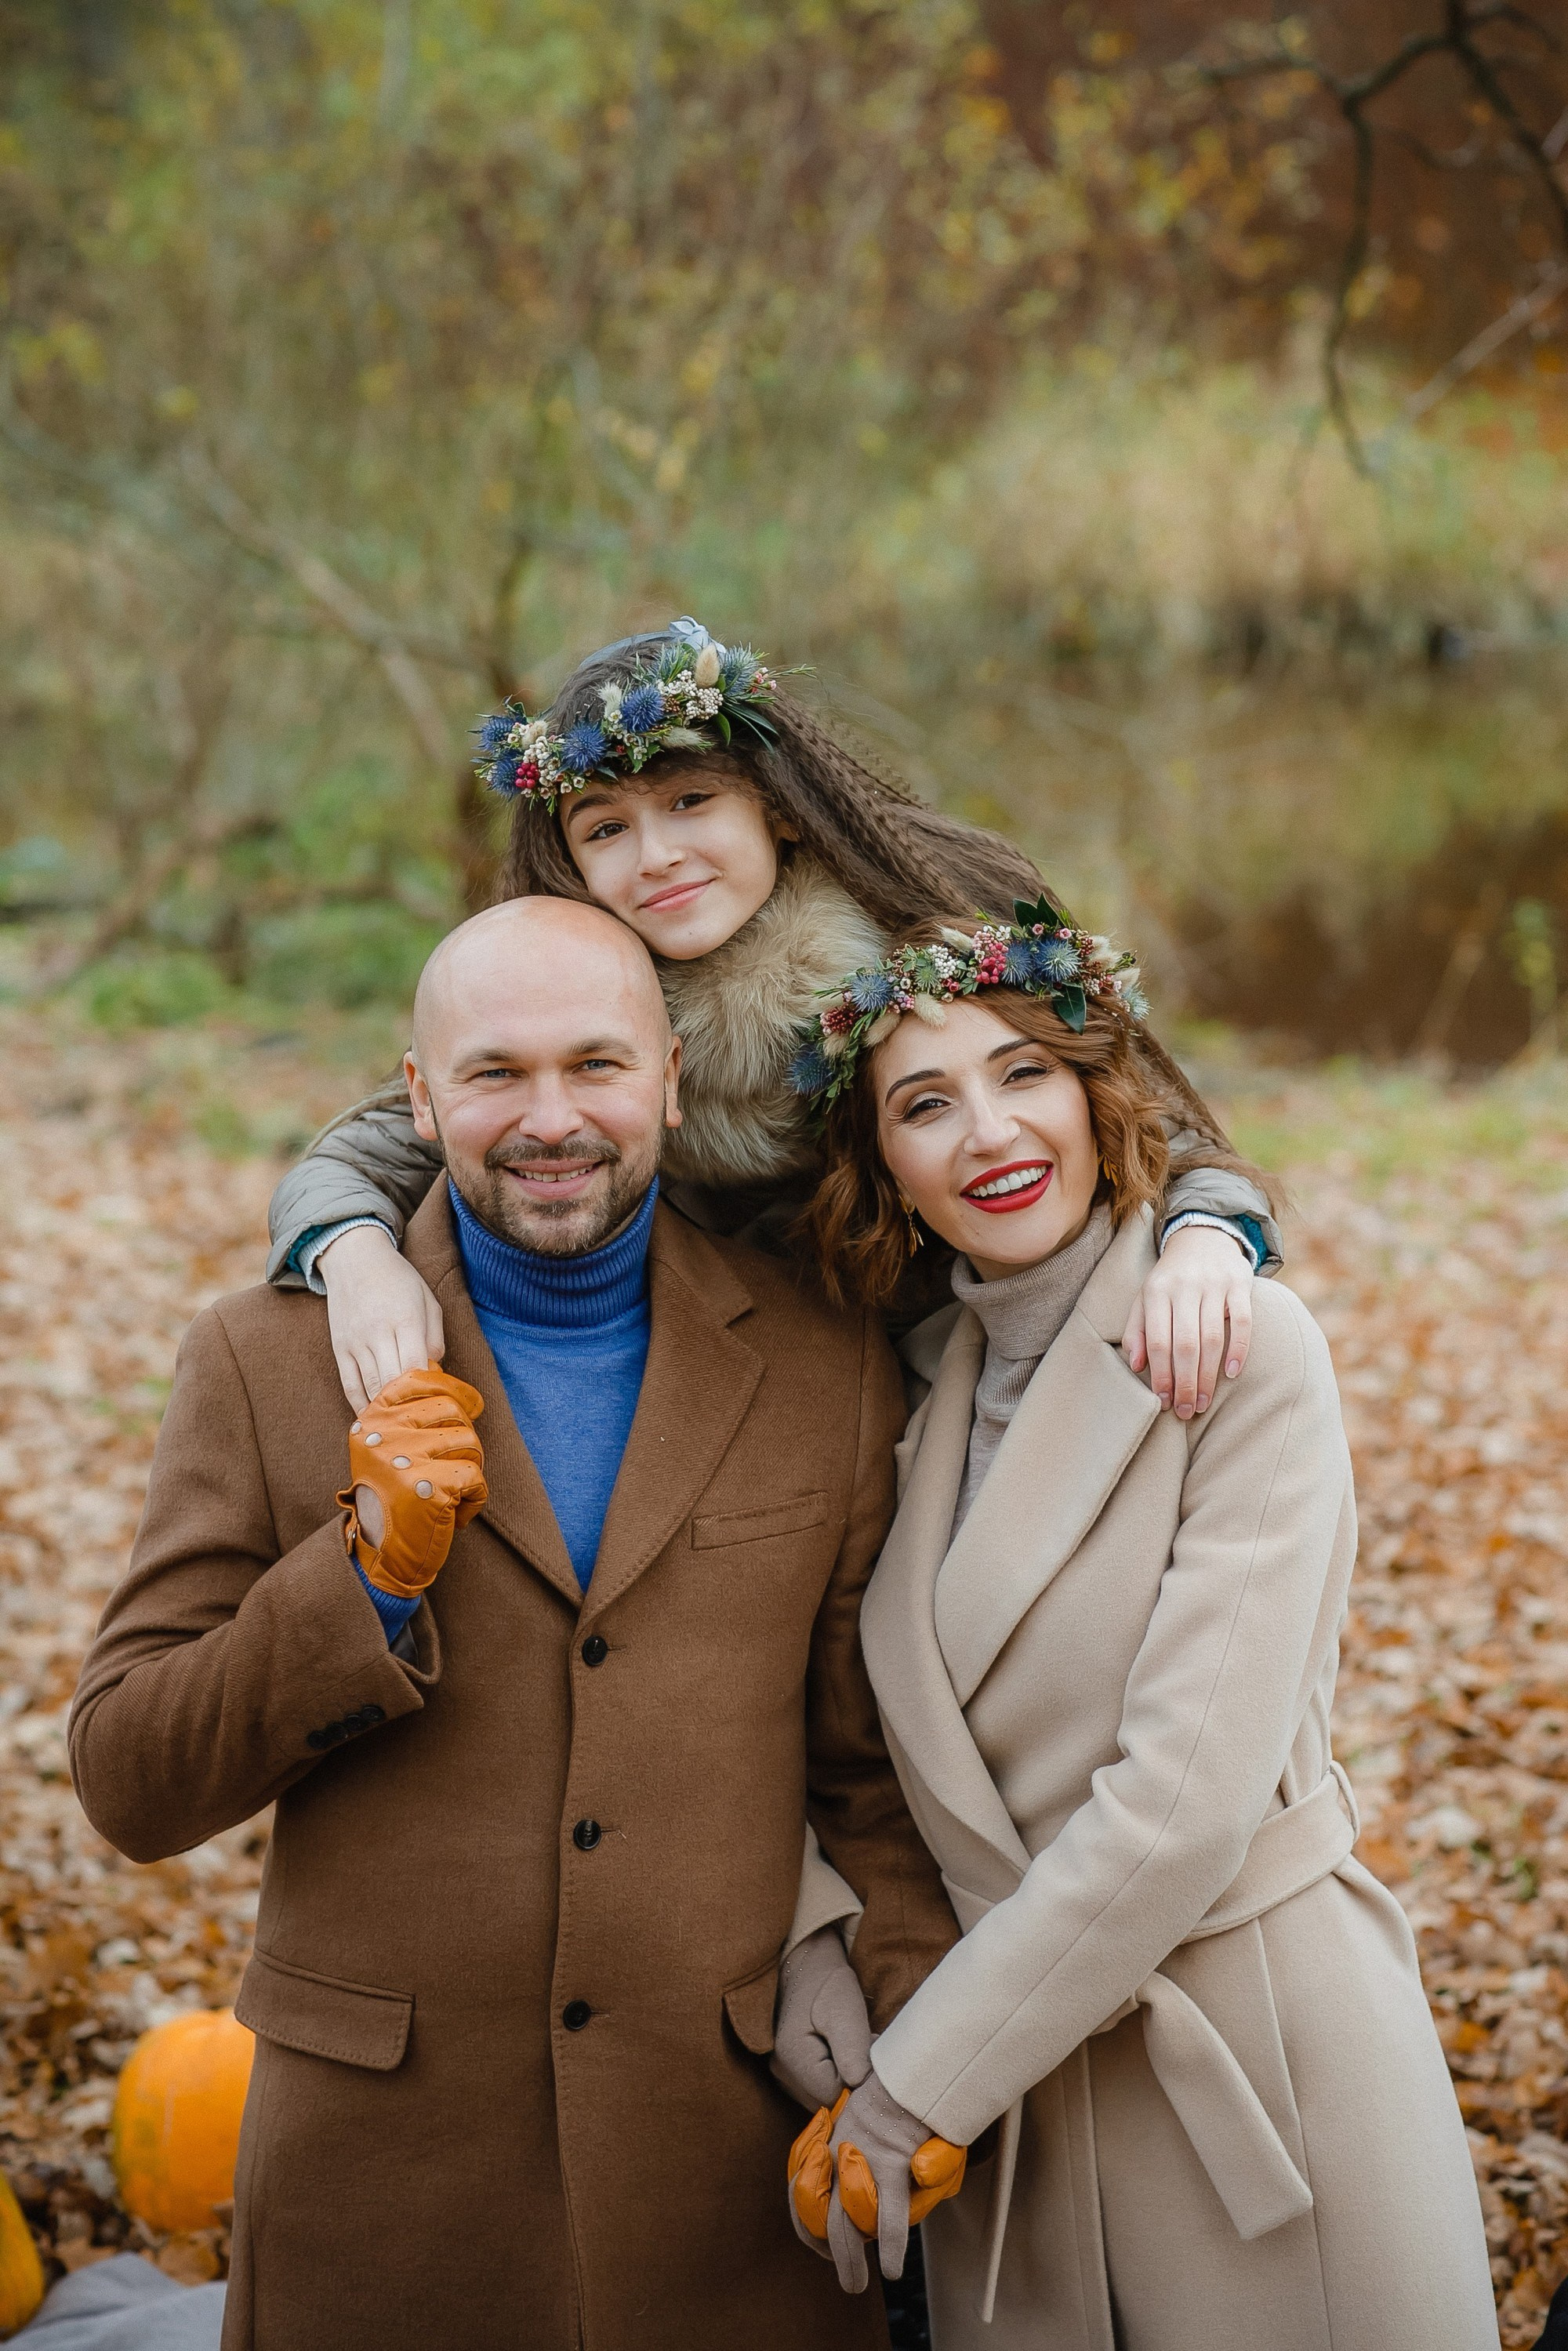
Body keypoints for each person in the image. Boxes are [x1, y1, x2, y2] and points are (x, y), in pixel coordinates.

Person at [67, 898, 960, 2351]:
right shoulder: (262, 1357)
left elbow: (869, 1779)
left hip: (729, 2200)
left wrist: (921, 2053)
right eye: (495, 1074)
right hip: (383, 2194)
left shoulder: (825, 1356)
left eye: (597, 1066)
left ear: (672, 1075)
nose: (552, 1119)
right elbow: (130, 1779)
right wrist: (360, 1578)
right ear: (419, 1097)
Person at [785, 912, 1499, 2350]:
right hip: (1027, 2097)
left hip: (1258, 2067)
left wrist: (916, 2085)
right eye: (926, 1106)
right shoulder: (912, 1389)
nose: (988, 1133)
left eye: (1025, 1074)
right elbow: (849, 1733)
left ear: (1099, 1092)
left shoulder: (1241, 1345)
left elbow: (1178, 1811)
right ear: (887, 1172)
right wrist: (821, 1931)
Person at [267, 619, 1279, 1425]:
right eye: (608, 828)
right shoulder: (585, 1000)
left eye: (692, 801)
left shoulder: (921, 918)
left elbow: (1137, 1110)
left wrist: (1204, 1244)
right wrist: (357, 1263)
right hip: (762, 1376)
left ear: (778, 809)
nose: (656, 855)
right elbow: (374, 1148)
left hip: (988, 1342)